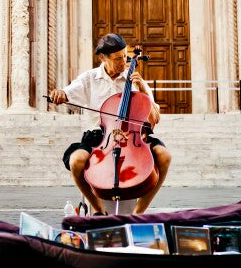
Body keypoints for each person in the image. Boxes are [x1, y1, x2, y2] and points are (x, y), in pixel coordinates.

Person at [49, 33, 171, 215]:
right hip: (99, 138)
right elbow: (67, 93)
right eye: (117, 59)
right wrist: (59, 94)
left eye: (125, 56)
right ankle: (98, 210)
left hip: (131, 137)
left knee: (164, 156)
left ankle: (139, 213)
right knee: (76, 161)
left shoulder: (134, 80)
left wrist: (144, 89)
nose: (124, 63)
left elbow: (155, 117)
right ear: (103, 58)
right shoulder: (89, 78)